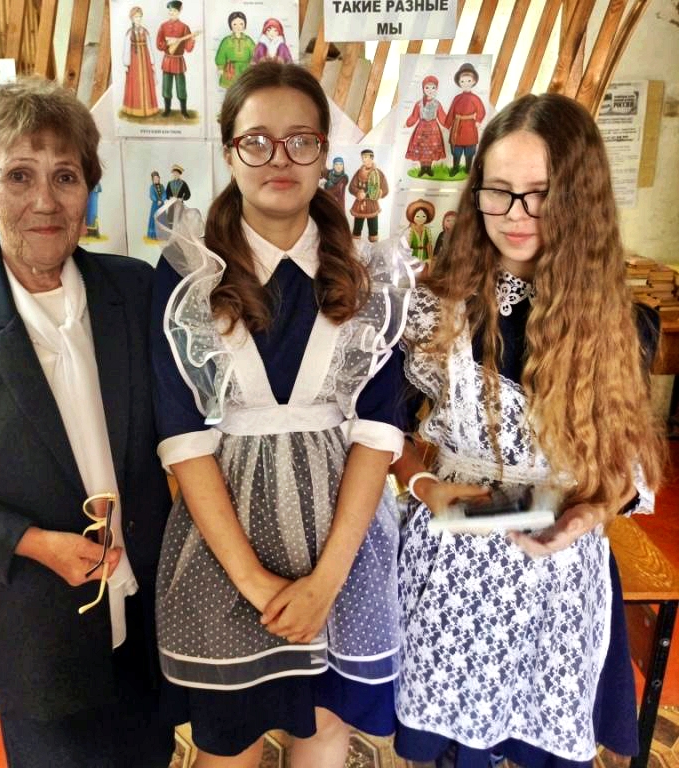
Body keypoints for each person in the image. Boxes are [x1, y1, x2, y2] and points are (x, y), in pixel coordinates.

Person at [150, 61, 412, 768]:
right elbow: (184, 440)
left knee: (324, 729)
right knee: (228, 740)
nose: (280, 158)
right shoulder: (187, 274)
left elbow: (377, 435)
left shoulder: (368, 277)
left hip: (341, 548)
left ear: (324, 154)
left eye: (301, 141)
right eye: (257, 141)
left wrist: (325, 583)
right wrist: (257, 584)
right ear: (229, 152)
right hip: (228, 551)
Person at [392, 92, 665, 768]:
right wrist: (427, 488)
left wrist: (587, 514)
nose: (516, 215)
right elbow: (383, 432)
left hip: (557, 575)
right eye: (499, 191)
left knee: (539, 736)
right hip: (452, 566)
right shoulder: (434, 309)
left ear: (580, 199)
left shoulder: (622, 323)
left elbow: (623, 469)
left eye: (540, 194)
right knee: (456, 747)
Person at [0, 78, 173, 768]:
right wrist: (34, 543)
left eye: (65, 176)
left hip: (145, 609)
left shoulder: (135, 290)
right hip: (34, 630)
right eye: (19, 176)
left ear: (88, 188)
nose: (46, 201)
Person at [156, 0, 198, 118]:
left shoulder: (184, 27)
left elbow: (188, 48)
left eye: (174, 11)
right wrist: (167, 43)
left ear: (179, 12)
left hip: (179, 61)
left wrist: (192, 39)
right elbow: (159, 44)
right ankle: (167, 109)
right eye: (170, 10)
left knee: (181, 86)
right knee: (166, 86)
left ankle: (183, 110)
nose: (172, 13)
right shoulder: (163, 26)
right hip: (167, 60)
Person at [444, 62, 486, 177]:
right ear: (459, 82)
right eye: (462, 81)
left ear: (473, 81)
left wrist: (478, 120)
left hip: (470, 128)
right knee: (456, 151)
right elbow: (451, 112)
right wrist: (448, 125)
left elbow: (481, 110)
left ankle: (468, 169)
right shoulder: (457, 98)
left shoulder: (475, 98)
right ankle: (455, 168)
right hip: (457, 129)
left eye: (468, 81)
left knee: (469, 151)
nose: (465, 84)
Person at [404, 75, 447, 178]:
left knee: (432, 149)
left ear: (436, 89)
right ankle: (423, 168)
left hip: (433, 130)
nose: (430, 90)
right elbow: (414, 116)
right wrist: (408, 123)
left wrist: (448, 124)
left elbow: (442, 116)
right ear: (423, 89)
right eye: (427, 87)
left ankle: (429, 168)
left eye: (433, 88)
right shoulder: (419, 104)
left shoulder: (437, 104)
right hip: (421, 129)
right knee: (421, 149)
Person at [122, 6, 160, 118]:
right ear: (132, 19)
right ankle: (135, 109)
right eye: (136, 17)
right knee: (135, 83)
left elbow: (150, 47)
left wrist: (152, 62)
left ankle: (148, 109)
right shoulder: (129, 33)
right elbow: (126, 48)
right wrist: (126, 63)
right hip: (134, 61)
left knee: (146, 82)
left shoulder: (145, 32)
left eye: (139, 17)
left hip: (145, 60)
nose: (138, 19)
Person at [349, 148, 389, 242]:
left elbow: (385, 189)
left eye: (366, 157)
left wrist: (380, 193)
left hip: (372, 204)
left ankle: (374, 245)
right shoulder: (359, 173)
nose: (363, 159)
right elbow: (351, 187)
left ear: (372, 158)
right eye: (362, 157)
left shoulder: (378, 173)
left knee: (373, 229)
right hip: (360, 205)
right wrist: (358, 192)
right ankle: (355, 245)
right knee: (357, 228)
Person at [215, 11, 255, 88]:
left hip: (245, 69)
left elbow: (255, 53)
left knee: (245, 89)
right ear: (230, 25)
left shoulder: (248, 41)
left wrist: (254, 66)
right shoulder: (227, 41)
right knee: (231, 89)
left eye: (241, 24)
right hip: (230, 70)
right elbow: (221, 54)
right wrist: (220, 67)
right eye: (234, 24)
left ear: (245, 25)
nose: (238, 27)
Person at [405, 199, 434, 265]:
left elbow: (429, 245)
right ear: (413, 217)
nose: (421, 219)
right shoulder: (410, 230)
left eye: (424, 216)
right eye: (417, 216)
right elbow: (407, 247)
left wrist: (430, 258)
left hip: (425, 257)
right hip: (413, 256)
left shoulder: (427, 230)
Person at [147, 170, 166, 239]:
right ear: (152, 180)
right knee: (154, 219)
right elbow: (151, 195)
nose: (156, 179)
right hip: (155, 205)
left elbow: (164, 194)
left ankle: (162, 234)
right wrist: (156, 200)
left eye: (157, 178)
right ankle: (154, 235)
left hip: (162, 205)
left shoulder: (162, 186)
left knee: (162, 218)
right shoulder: (152, 187)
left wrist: (162, 200)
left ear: (159, 178)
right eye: (154, 178)